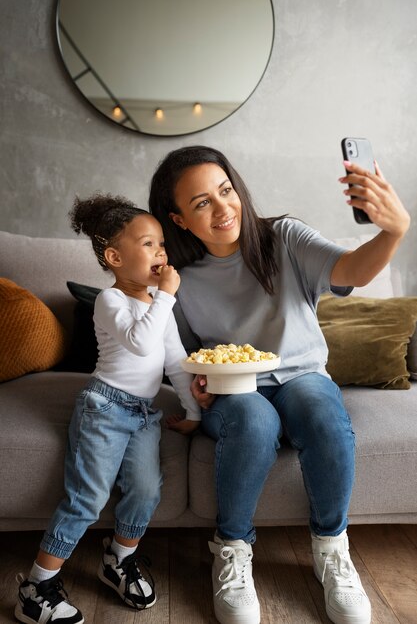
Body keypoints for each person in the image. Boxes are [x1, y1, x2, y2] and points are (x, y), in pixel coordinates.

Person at [148, 145, 410, 624]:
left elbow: (352, 269)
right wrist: (196, 390)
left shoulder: (284, 238)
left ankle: (331, 549)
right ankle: (232, 550)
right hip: (236, 393)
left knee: (323, 413)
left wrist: (393, 231)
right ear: (179, 220)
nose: (223, 207)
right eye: (202, 202)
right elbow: (181, 355)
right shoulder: (178, 279)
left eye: (225, 191)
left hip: (302, 376)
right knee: (252, 418)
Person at [15, 194, 200, 624]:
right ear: (115, 257)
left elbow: (174, 359)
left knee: (147, 489)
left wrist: (192, 412)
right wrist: (167, 297)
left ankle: (118, 558)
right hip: (105, 408)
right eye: (149, 244)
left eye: (161, 244)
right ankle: (36, 586)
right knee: (88, 498)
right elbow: (139, 341)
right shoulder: (110, 301)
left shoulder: (159, 304)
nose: (161, 252)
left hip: (143, 413)